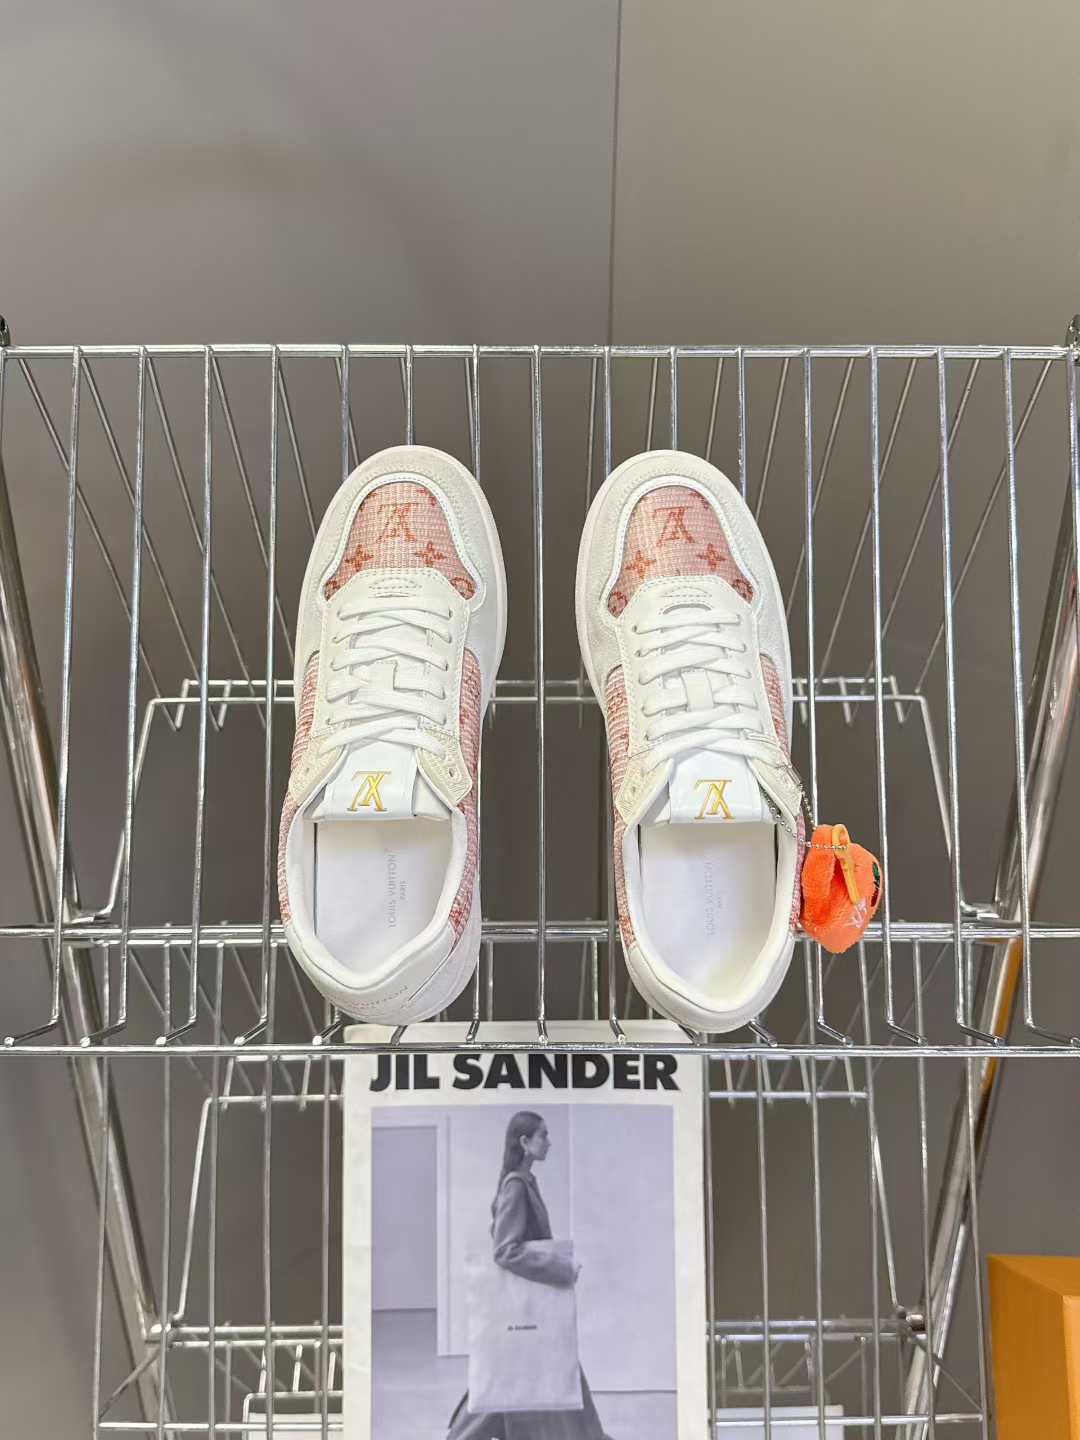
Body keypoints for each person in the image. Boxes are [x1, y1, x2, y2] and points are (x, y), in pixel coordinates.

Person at [447, 1111, 613, 1440]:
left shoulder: (525, 1182)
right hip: (526, 1309)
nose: (549, 1142)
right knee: (524, 1380)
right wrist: (561, 1268)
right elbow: (505, 1250)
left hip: (529, 1311)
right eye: (543, 1135)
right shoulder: (516, 1186)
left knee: (536, 1377)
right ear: (525, 1142)